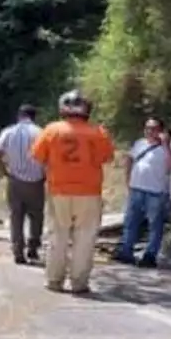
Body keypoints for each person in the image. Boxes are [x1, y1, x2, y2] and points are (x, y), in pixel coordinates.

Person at [30, 90, 115, 294]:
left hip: (58, 191)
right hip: (89, 192)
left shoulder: (52, 130)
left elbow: (37, 156)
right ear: (87, 110)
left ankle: (54, 280)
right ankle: (79, 283)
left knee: (57, 236)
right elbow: (107, 157)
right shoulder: (98, 132)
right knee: (85, 238)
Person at [115, 118, 171, 268]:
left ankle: (150, 255)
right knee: (130, 222)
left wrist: (166, 145)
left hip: (156, 192)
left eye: (153, 128)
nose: (149, 131)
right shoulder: (140, 143)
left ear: (161, 130)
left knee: (155, 225)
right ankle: (126, 251)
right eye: (147, 128)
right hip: (136, 189)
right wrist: (128, 180)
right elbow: (130, 160)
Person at [0, 104, 46, 265]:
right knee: (36, 216)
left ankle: (18, 251)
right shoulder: (41, 133)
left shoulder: (8, 131)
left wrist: (5, 172)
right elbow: (49, 158)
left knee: (16, 216)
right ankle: (33, 248)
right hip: (36, 182)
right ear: (34, 117)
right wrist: (45, 176)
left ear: (19, 116)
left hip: (15, 181)